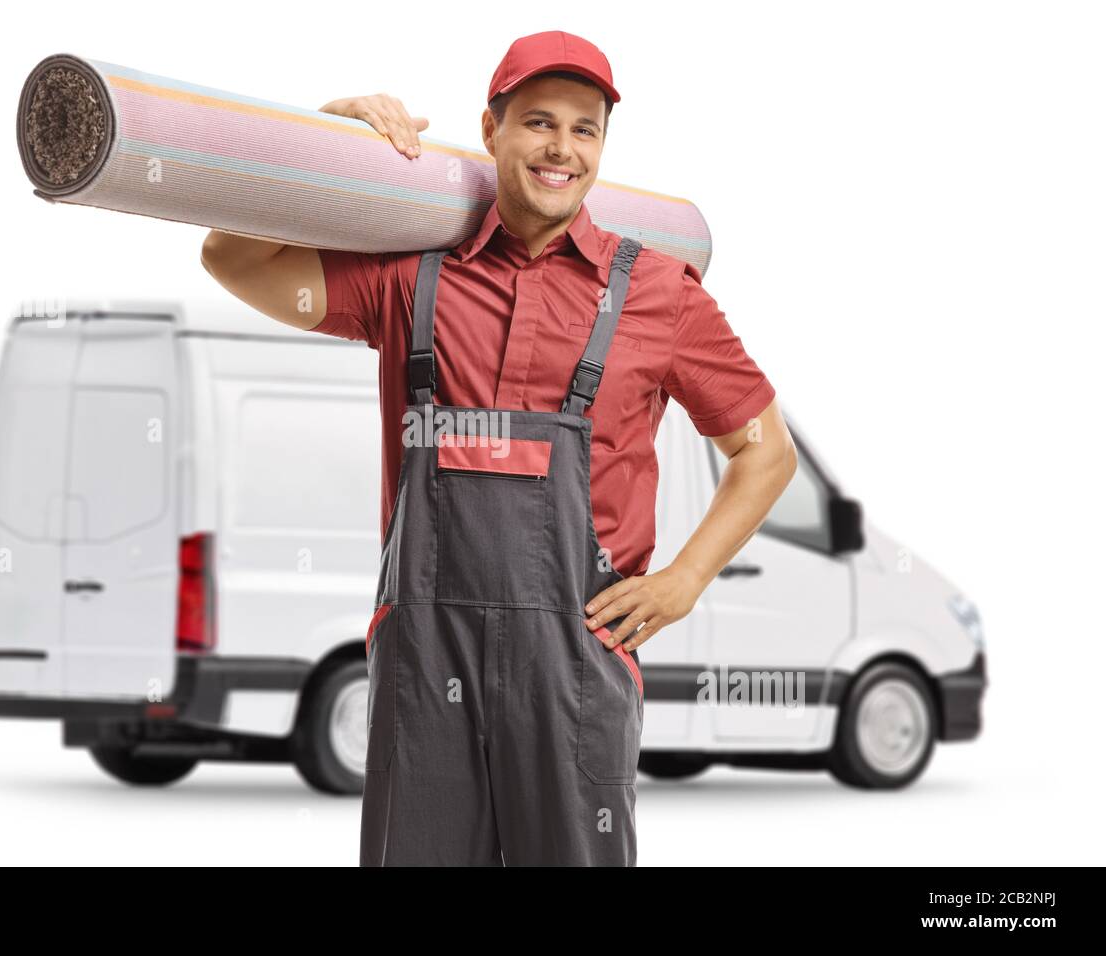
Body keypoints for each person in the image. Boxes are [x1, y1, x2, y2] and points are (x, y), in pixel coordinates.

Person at [201, 30, 797, 866]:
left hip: (576, 667)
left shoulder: (661, 295)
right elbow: (230, 255)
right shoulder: (408, 276)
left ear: (601, 147)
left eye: (584, 129)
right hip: (424, 659)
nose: (561, 149)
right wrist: (323, 140)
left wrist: (685, 581)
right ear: (492, 132)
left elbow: (764, 452)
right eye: (538, 123)